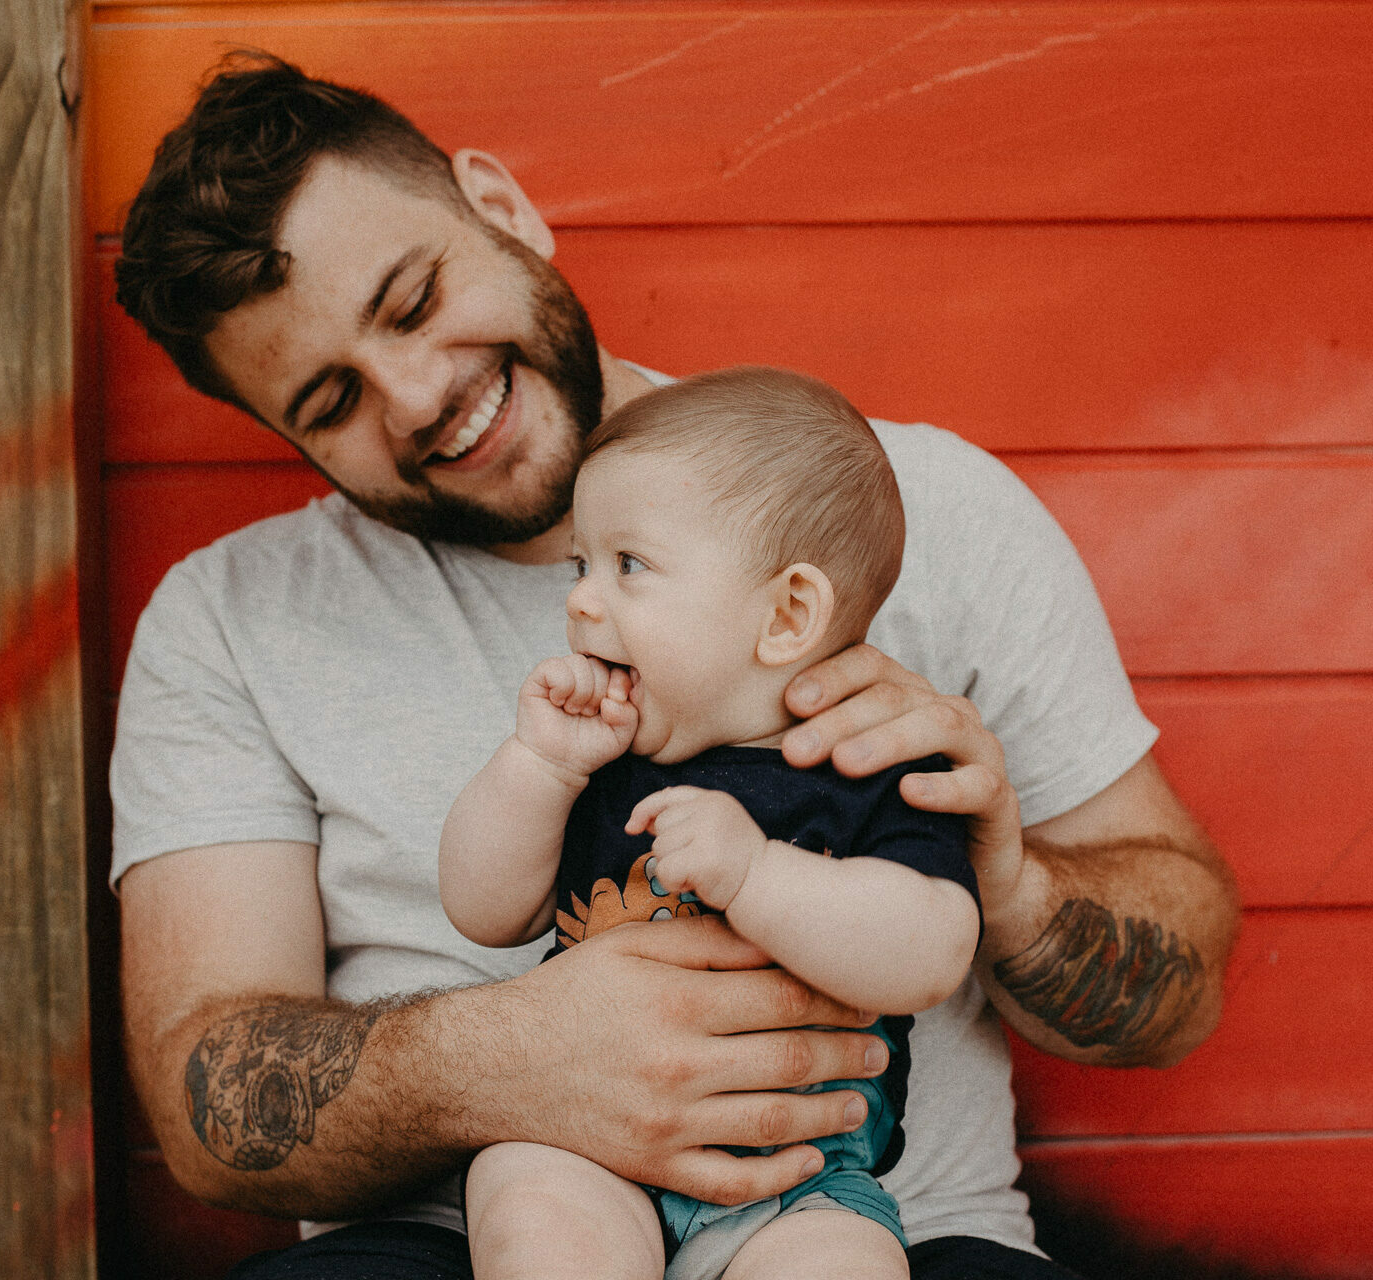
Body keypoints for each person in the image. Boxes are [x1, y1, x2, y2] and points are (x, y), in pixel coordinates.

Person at [109, 52, 1238, 1280]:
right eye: (331, 401)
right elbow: (205, 1103)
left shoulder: (913, 507)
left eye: (415, 299)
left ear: (501, 207)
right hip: (461, 1232)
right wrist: (512, 1059)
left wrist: (1002, 879)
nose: (418, 395)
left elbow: (1177, 992)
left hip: (889, 1225)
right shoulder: (229, 619)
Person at [439, 367, 982, 1280]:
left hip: (800, 1183)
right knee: (531, 1201)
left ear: (788, 615)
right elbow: (482, 909)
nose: (581, 599)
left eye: (629, 565)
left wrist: (757, 876)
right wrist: (538, 766)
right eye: (581, 565)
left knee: (844, 1268)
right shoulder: (604, 761)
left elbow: (931, 952)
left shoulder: (872, 765)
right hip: (587, 1147)